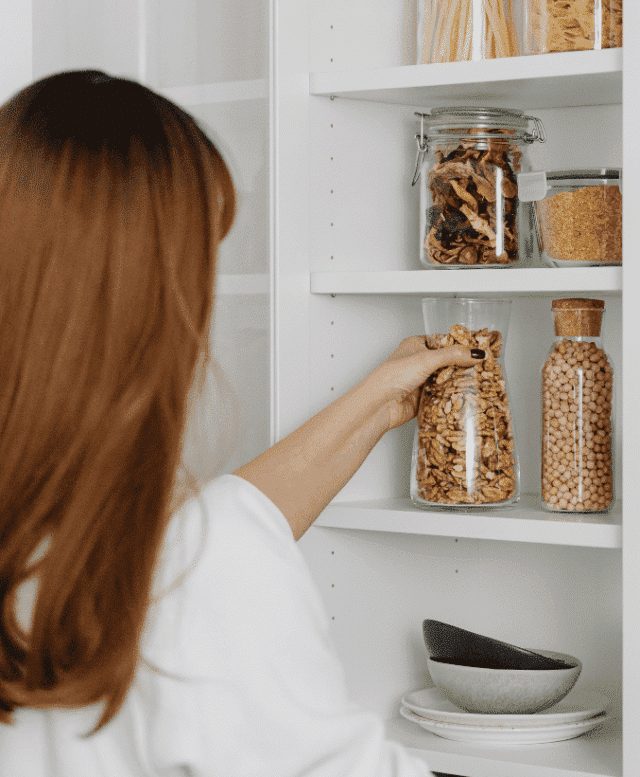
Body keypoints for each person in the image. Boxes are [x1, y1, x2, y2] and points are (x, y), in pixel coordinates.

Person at [0, 70, 483, 776]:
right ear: (152, 292)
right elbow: (197, 553)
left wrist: (379, 402)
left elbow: (197, 527)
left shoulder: (58, 524)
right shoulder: (202, 569)